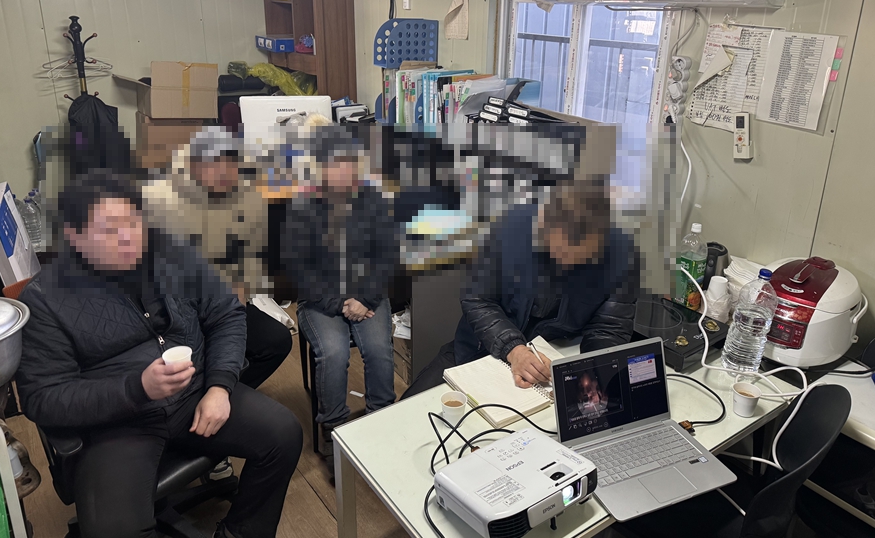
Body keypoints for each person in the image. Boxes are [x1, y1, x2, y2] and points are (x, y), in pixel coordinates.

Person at [16, 171, 302, 538]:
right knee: (112, 529)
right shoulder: (44, 301)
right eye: (109, 230)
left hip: (194, 392)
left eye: (134, 222)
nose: (128, 238)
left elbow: (226, 315)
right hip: (117, 423)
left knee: (283, 434)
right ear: (74, 236)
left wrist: (219, 387)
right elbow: (43, 399)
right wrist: (136, 388)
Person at [403, 176, 640, 398]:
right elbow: (477, 299)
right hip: (483, 347)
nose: (566, 265)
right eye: (559, 253)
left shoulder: (622, 257)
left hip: (558, 355)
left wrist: (594, 370)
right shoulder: (507, 230)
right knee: (411, 407)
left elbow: (609, 328)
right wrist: (514, 349)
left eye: (581, 260)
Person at [144, 126, 293, 390]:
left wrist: (240, 293)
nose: (224, 172)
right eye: (214, 164)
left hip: (223, 301)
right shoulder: (161, 199)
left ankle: (224, 393)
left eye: (231, 165)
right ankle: (195, 394)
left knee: (276, 341)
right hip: (172, 305)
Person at [284, 127, 397, 433]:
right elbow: (298, 270)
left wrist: (364, 299)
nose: (342, 170)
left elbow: (387, 257)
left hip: (367, 294)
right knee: (334, 353)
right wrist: (341, 304)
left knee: (378, 350)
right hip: (320, 299)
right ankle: (334, 430)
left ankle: (384, 421)